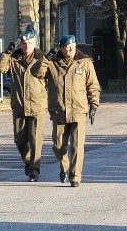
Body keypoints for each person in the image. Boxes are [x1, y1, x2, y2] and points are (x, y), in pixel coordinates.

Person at [39, 35, 100, 187]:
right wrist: (46, 59)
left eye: (72, 45)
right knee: (58, 146)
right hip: (59, 111)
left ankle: (75, 177)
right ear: (60, 48)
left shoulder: (85, 63)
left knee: (77, 146)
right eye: (67, 46)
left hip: (78, 110)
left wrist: (94, 105)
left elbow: (93, 85)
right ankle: (64, 165)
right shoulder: (52, 64)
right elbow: (37, 74)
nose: (71, 48)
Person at [0, 30, 48, 182]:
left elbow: (51, 78)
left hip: (37, 106)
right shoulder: (14, 59)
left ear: (34, 44)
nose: (26, 46)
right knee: (20, 141)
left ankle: (34, 172)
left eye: (29, 43)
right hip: (19, 106)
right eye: (24, 44)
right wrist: (6, 53)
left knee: (35, 140)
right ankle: (28, 162)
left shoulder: (42, 58)